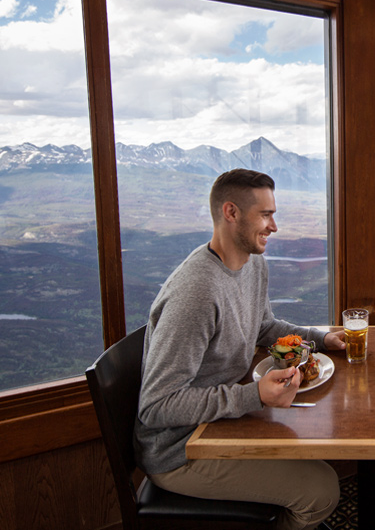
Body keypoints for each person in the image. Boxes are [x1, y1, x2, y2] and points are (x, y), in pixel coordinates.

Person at [134, 168, 345, 530]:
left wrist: (321, 339)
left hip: (220, 423)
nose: (274, 227)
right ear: (231, 213)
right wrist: (254, 397)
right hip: (182, 448)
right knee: (321, 490)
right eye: (266, 215)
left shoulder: (253, 263)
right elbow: (156, 407)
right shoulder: (196, 293)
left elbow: (262, 326)